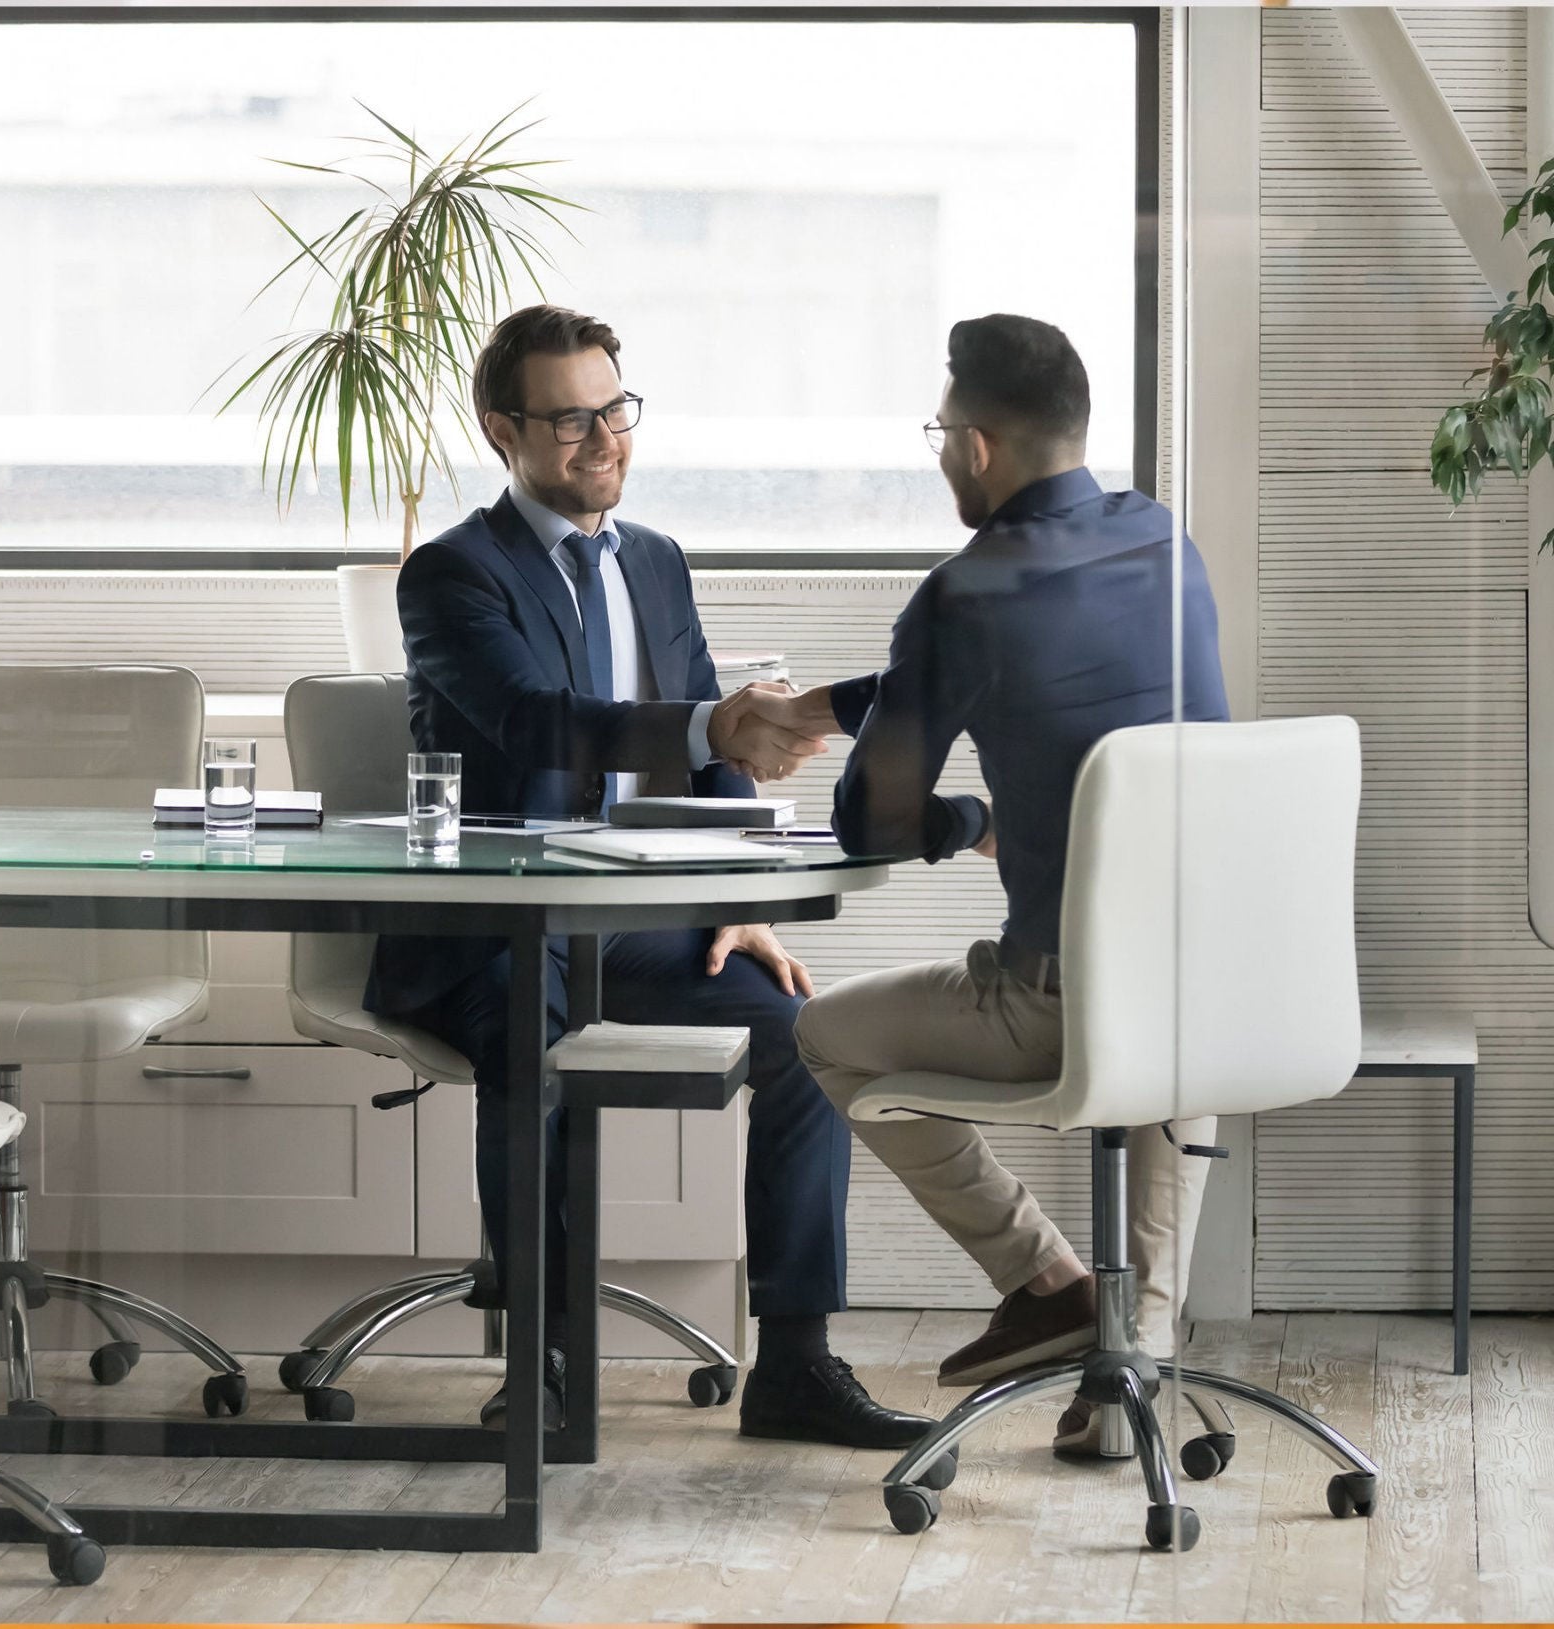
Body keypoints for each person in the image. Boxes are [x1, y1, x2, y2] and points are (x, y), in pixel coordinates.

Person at [364, 303, 933, 1451]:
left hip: (632, 926)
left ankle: (796, 1365)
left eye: (615, 410)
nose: (602, 440)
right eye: (568, 420)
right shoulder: (449, 575)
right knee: (534, 1029)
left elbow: (710, 759)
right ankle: (544, 1360)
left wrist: (743, 901)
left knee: (804, 1037)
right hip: (494, 929)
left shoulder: (658, 564)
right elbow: (539, 723)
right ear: (502, 430)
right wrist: (715, 725)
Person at [747, 313, 1230, 1453]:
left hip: (1059, 1003)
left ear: (974, 446)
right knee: (1170, 1012)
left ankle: (1047, 1280)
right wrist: (833, 702)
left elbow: (872, 818)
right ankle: (1135, 1367)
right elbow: (1041, 658)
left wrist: (978, 826)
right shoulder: (1164, 545)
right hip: (1221, 991)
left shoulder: (967, 591)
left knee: (825, 1033)